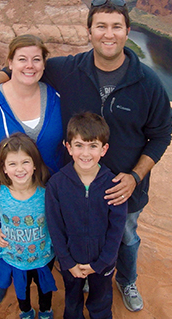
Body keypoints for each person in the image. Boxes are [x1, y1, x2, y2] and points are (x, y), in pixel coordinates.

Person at [0, 0, 172, 312]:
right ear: (89, 32)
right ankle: (79, 274)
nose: (109, 34)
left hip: (123, 187)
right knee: (79, 232)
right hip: (75, 183)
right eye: (101, 26)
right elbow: (23, 68)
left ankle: (126, 279)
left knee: (127, 237)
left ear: (128, 31)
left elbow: (161, 134)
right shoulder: (69, 69)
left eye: (116, 27)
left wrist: (136, 176)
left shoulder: (147, 82)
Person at [0, 34, 64, 304]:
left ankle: (49, 269)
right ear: (9, 63)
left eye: (36, 60)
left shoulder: (57, 98)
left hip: (49, 192)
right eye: (22, 59)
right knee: (6, 234)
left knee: (47, 231)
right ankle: (3, 275)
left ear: (44, 64)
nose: (29, 66)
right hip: (7, 191)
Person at [45, 112, 127, 319]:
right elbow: (55, 227)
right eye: (79, 145)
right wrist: (67, 262)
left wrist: (100, 264)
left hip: (103, 263)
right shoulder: (56, 185)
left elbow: (116, 230)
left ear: (104, 149)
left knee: (101, 299)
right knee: (72, 300)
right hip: (70, 261)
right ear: (68, 147)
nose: (86, 153)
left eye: (93, 146)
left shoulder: (114, 186)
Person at [0, 133, 57, 319]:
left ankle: (45, 311)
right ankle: (26, 312)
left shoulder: (47, 193)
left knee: (44, 289)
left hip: (44, 257)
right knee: (22, 290)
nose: (20, 169)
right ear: (4, 168)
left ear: (35, 165)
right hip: (14, 259)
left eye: (25, 162)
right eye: (12, 164)